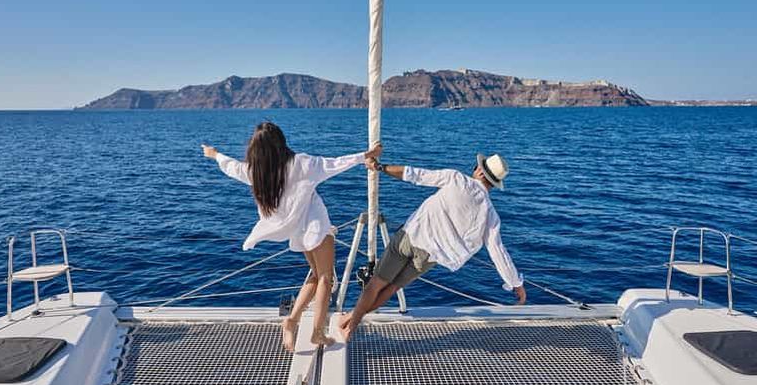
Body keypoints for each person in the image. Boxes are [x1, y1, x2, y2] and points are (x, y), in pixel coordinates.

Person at [202, 122, 381, 351]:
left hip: (297, 228)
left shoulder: (256, 173)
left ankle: (292, 320)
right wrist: (368, 154)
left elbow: (232, 166)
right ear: (281, 143)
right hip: (316, 224)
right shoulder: (301, 163)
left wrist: (214, 154)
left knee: (316, 277)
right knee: (326, 278)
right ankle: (317, 333)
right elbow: (335, 163)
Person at [340, 152, 526, 341]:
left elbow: (415, 175)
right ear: (493, 184)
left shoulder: (456, 179)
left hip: (411, 237)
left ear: (479, 170)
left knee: (376, 283)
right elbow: (498, 252)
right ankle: (350, 318)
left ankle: (350, 327)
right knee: (390, 289)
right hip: (429, 258)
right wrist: (516, 284)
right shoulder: (490, 215)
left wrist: (380, 167)